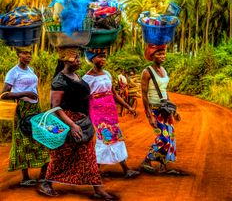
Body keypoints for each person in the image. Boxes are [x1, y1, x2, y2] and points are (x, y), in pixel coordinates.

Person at [39, 47, 116, 200]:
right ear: (64, 60)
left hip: (82, 122)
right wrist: (72, 126)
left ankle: (97, 189)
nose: (79, 61)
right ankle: (46, 182)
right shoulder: (59, 80)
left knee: (88, 154)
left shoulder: (76, 76)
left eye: (79, 58)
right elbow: (55, 107)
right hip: (68, 122)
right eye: (76, 58)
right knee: (62, 154)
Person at [83, 48, 140, 178]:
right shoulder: (86, 78)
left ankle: (125, 170)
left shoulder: (107, 74)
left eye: (104, 56)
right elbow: (83, 98)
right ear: (92, 58)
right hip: (97, 113)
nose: (102, 59)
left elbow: (114, 94)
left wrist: (128, 107)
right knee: (104, 139)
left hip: (111, 111)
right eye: (99, 56)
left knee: (116, 138)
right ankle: (95, 171)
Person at [0, 46, 50, 186]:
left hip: (35, 108)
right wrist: (24, 94)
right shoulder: (13, 72)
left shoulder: (31, 70)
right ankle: (25, 178)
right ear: (18, 55)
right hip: (23, 110)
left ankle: (42, 175)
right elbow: (3, 95)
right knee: (23, 142)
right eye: (25, 53)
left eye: (30, 53)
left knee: (41, 139)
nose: (28, 56)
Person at [140, 44, 181, 174]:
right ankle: (146, 160)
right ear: (152, 56)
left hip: (165, 109)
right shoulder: (147, 72)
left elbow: (164, 92)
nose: (162, 56)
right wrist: (149, 115)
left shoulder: (164, 70)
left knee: (170, 137)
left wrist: (174, 110)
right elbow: (144, 95)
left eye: (163, 53)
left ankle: (163, 167)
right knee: (163, 138)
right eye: (159, 54)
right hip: (155, 110)